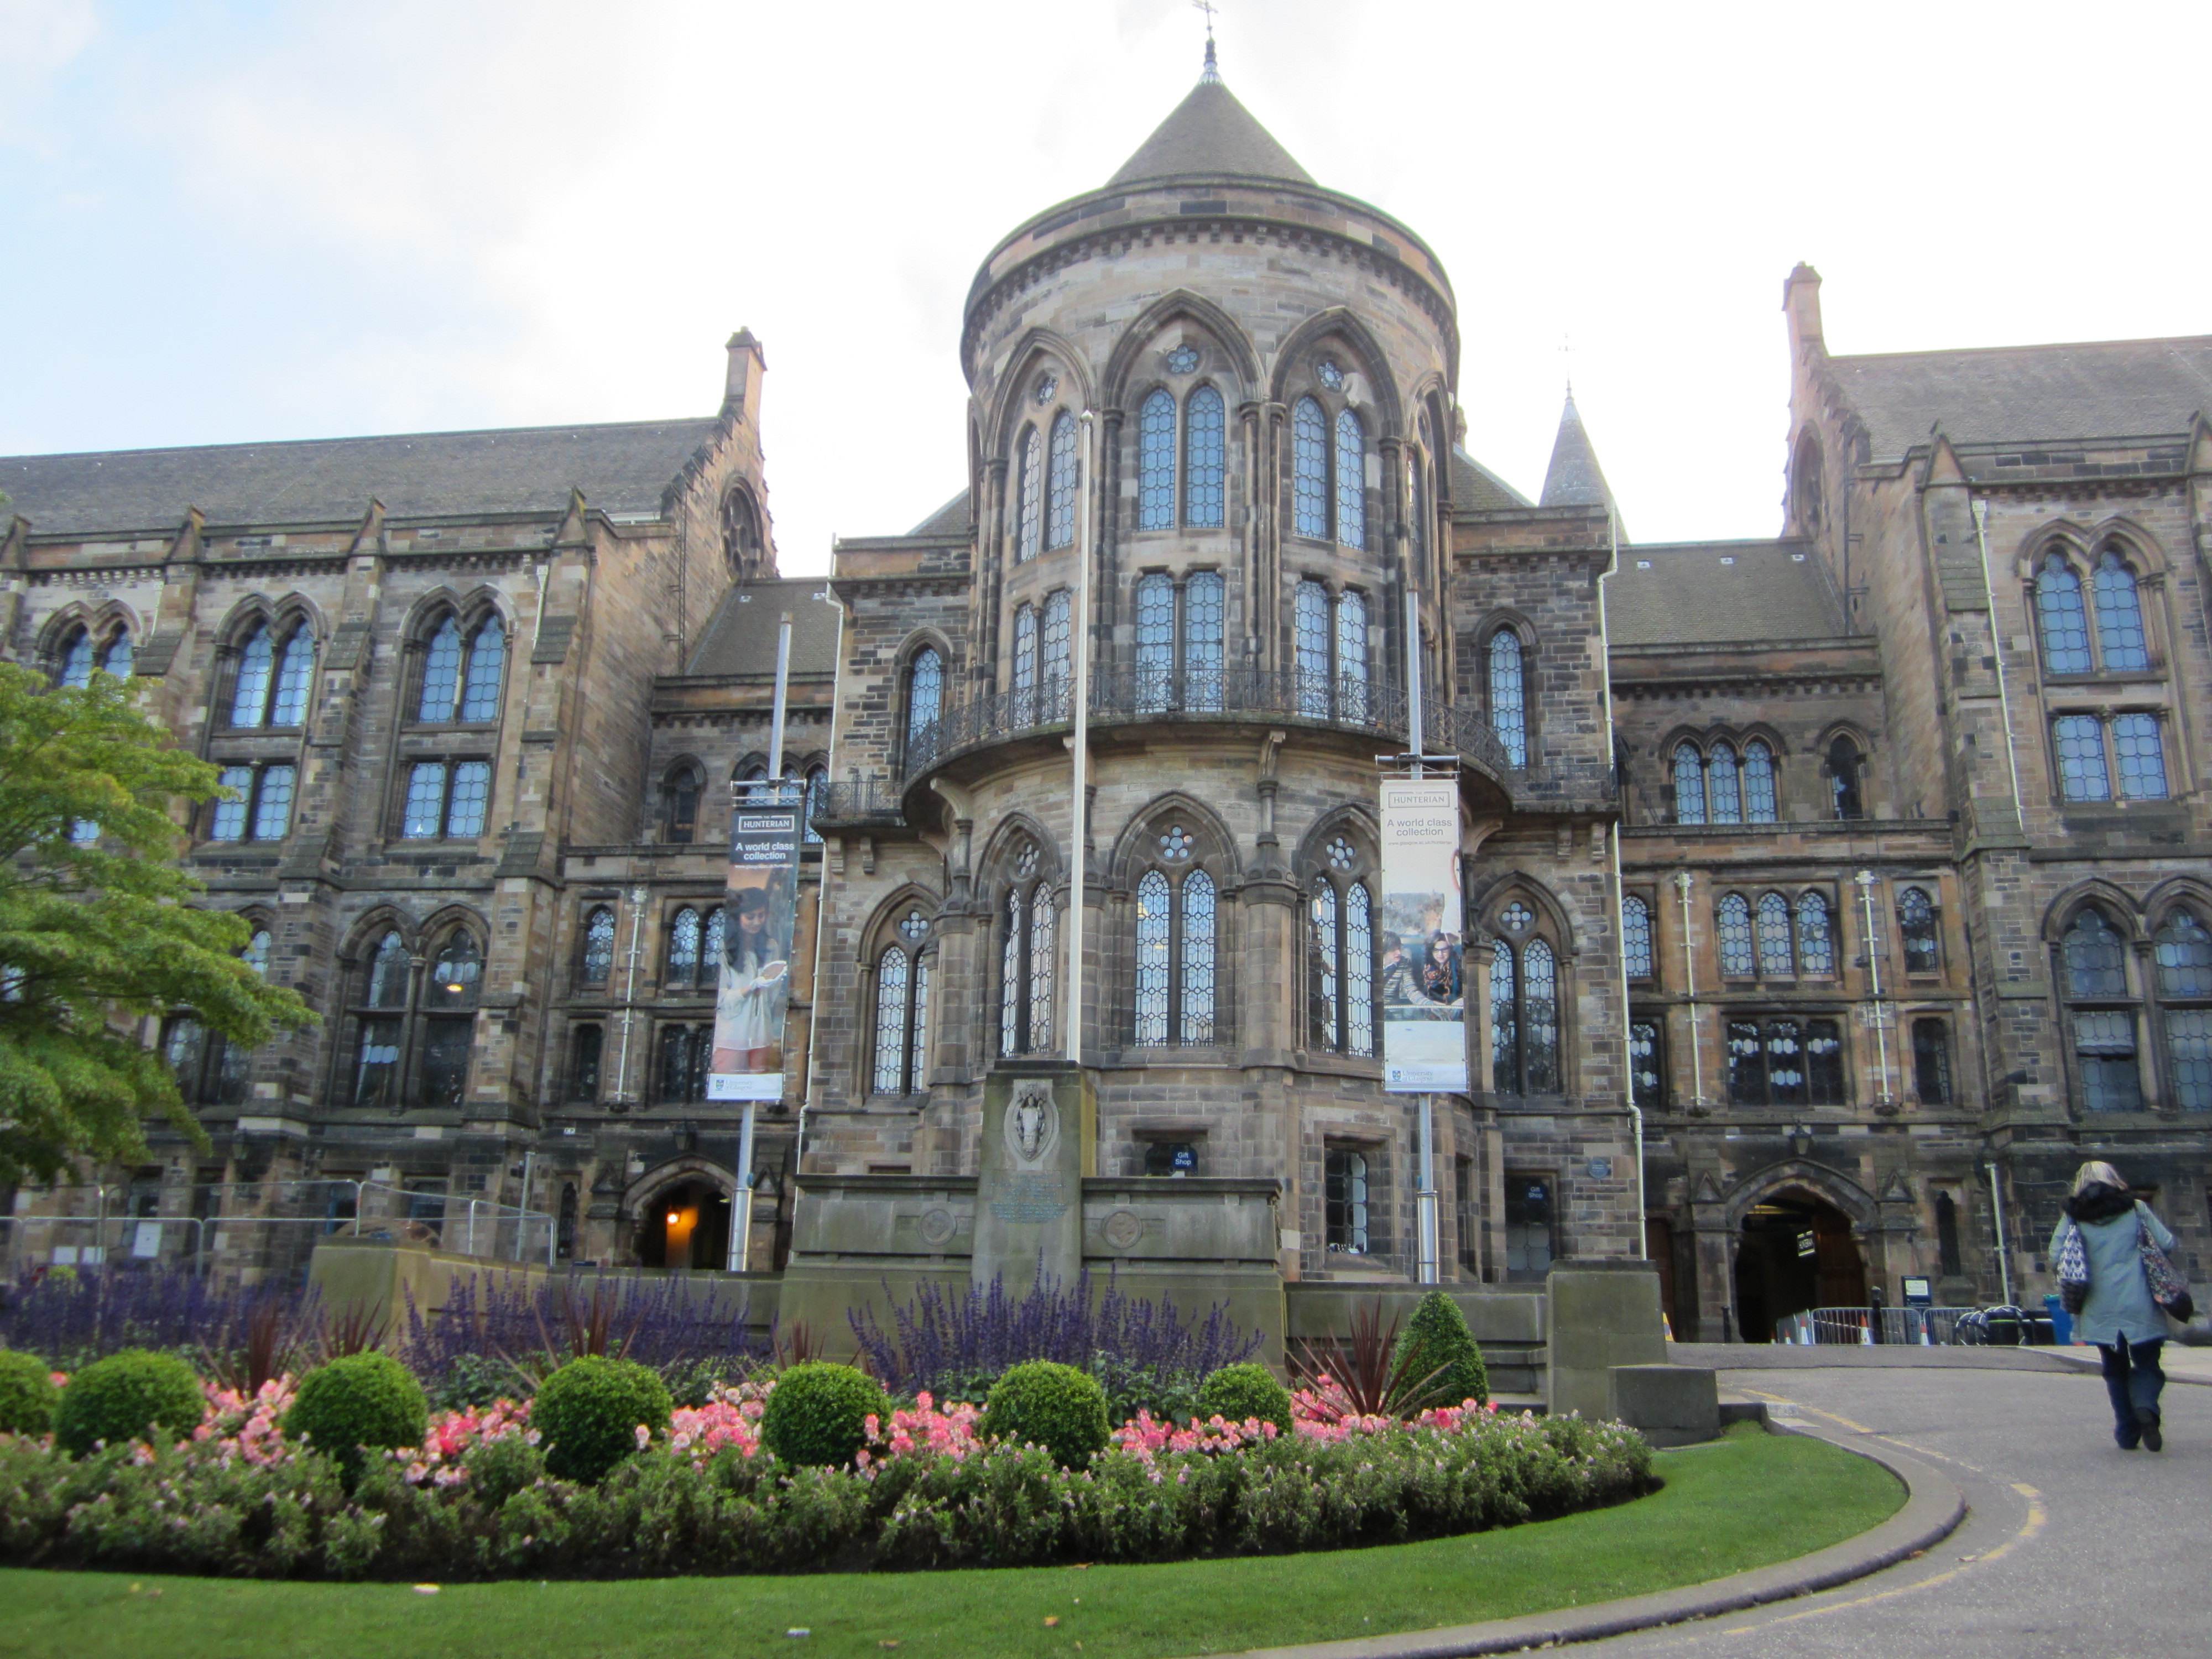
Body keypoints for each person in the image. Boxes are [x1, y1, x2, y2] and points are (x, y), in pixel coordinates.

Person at [2051, 1160, 2180, 1451]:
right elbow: (2167, 1243)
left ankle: (2127, 1432)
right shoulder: (2136, 1209)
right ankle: (2146, 1407)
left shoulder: (2074, 1216)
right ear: (2115, 1180)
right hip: (2140, 1301)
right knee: (2148, 1364)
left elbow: (2056, 1255)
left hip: (2099, 1308)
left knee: (2114, 1370)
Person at [1422, 931, 1462, 1006]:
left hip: (1456, 1008)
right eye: (1436, 950)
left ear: (1450, 949)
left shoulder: (1459, 963)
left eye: (1444, 950)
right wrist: (1431, 1004)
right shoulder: (1426, 966)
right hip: (1432, 1008)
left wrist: (1461, 1001)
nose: (1440, 954)